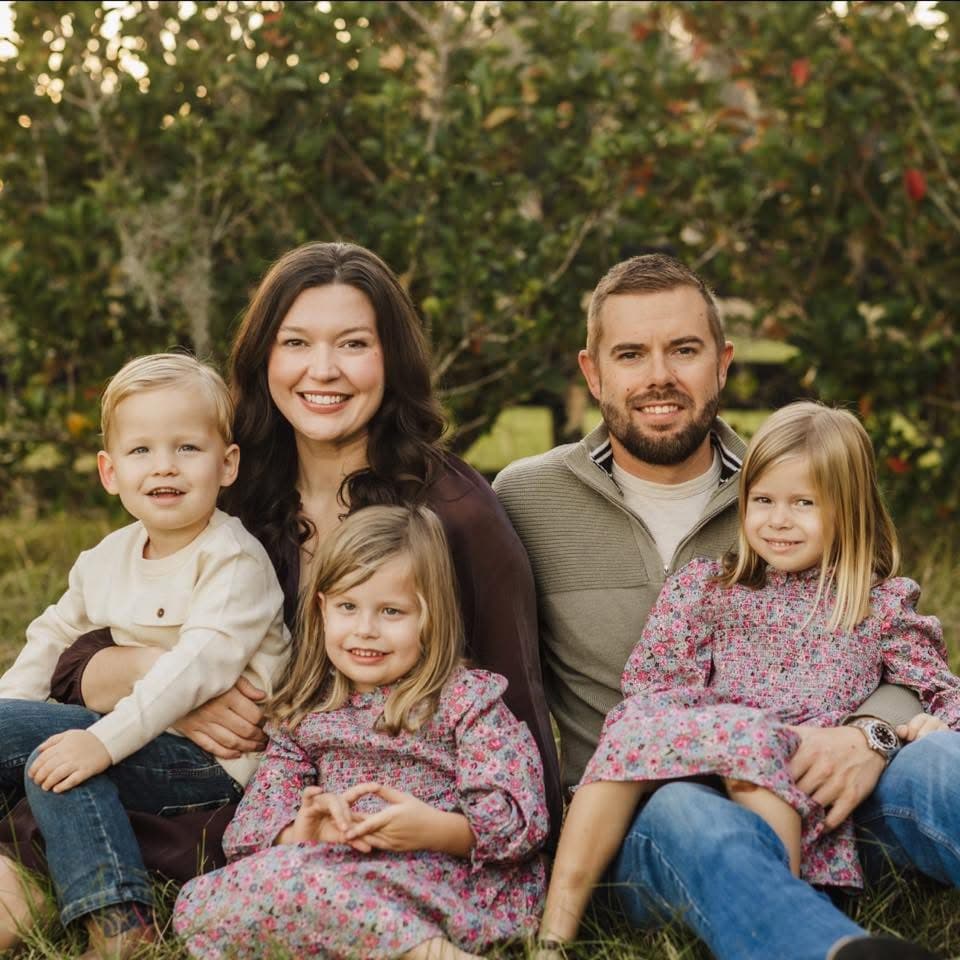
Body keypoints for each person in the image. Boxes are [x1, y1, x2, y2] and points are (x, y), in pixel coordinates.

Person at [1, 241, 560, 883]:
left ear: (393, 359)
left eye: (353, 344)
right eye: (296, 343)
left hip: (325, 812)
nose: (322, 370)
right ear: (264, 355)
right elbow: (83, 644)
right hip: (158, 756)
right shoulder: (228, 488)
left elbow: (514, 715)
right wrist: (168, 684)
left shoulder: (455, 514)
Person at [494, 253, 960, 960]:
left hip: (830, 798)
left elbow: (894, 642)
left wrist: (871, 736)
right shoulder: (526, 500)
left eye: (683, 350)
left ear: (723, 362)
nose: (659, 376)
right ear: (593, 372)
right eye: (631, 354)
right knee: (691, 812)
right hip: (650, 817)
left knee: (941, 765)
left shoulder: (791, 482)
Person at [0, 353, 289, 958]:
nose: (164, 466)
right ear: (109, 471)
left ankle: (115, 923)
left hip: (213, 767)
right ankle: (119, 921)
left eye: (187, 447)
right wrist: (15, 714)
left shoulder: (232, 561)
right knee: (44, 753)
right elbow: (52, 636)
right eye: (141, 451)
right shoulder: (108, 556)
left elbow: (192, 672)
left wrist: (98, 742)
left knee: (59, 757)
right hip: (136, 741)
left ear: (227, 463)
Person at [172, 504, 548, 960]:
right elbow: (248, 831)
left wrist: (433, 830)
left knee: (313, 889)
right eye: (348, 607)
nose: (365, 631)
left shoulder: (465, 701)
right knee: (199, 903)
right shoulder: (305, 715)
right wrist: (306, 832)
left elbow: (519, 821)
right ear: (322, 608)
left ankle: (432, 953)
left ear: (432, 617)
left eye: (392, 611)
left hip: (445, 874)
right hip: (337, 871)